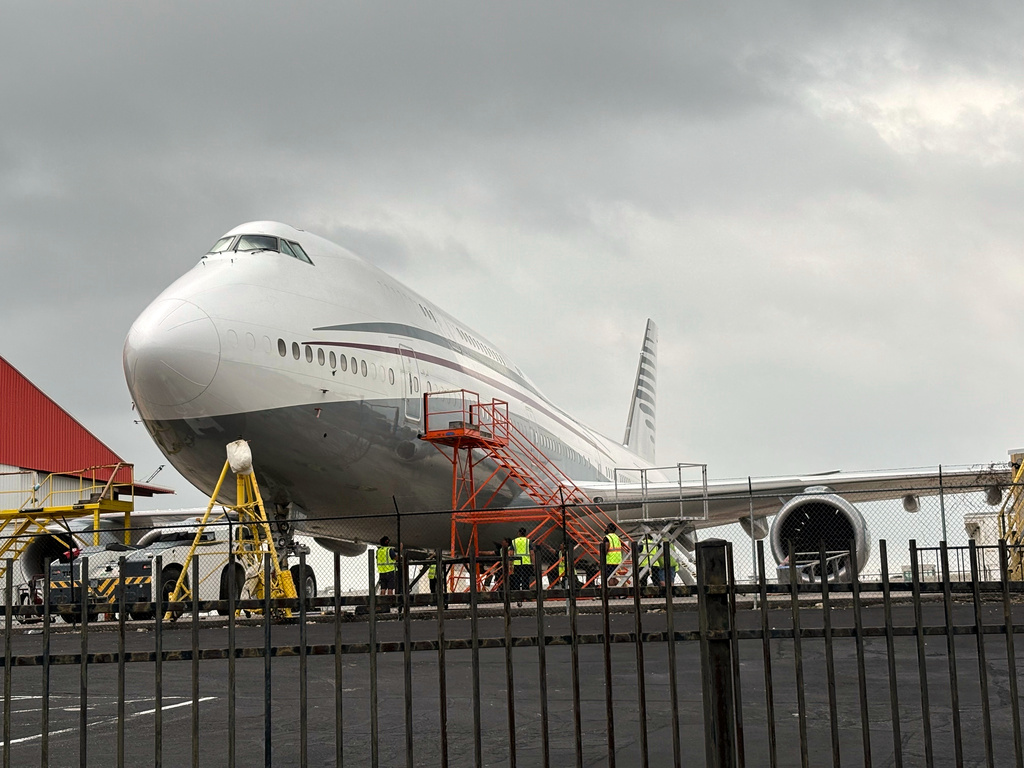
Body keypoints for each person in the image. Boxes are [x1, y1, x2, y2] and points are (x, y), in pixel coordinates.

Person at [510, 528, 532, 607]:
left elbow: (511, 553)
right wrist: (533, 563)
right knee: (526, 579)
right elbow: (532, 553)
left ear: (519, 533)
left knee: (517, 580)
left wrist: (510, 564)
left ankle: (518, 597)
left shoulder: (514, 541)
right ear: (525, 533)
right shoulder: (528, 541)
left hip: (517, 563)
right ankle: (526, 596)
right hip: (526, 563)